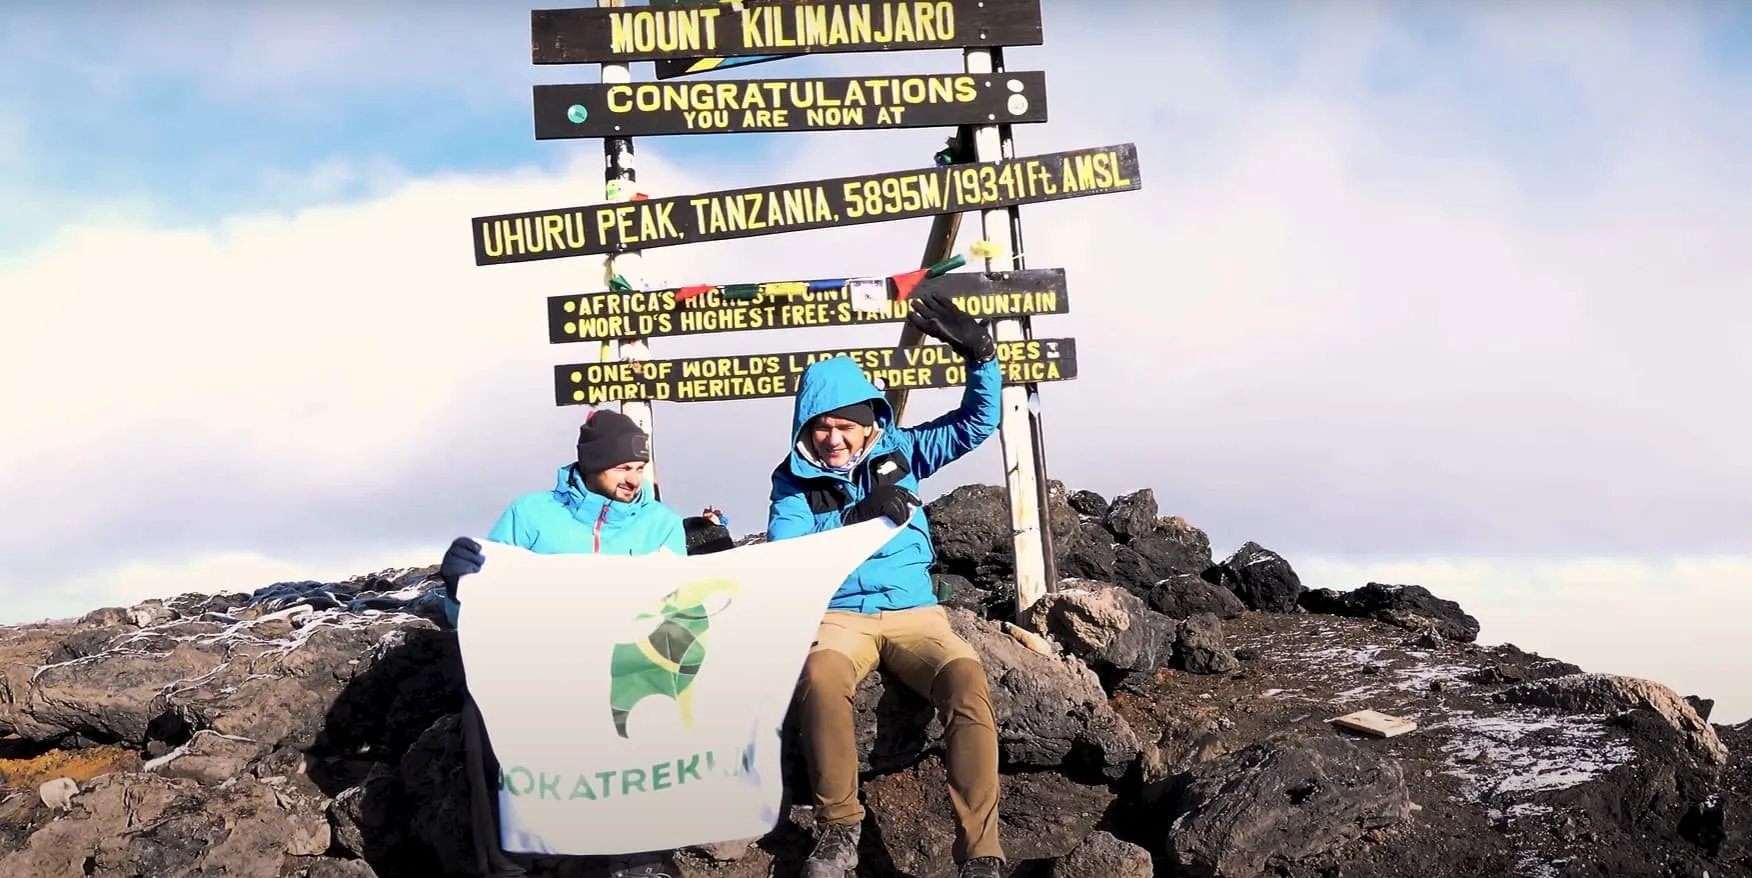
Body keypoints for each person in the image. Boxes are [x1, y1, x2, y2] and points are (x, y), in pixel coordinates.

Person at [766, 291, 1008, 878]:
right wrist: (855, 516)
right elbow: (789, 552)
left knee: (966, 680)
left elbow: (977, 423)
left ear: (870, 421)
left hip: (914, 613)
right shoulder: (792, 483)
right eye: (820, 426)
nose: (832, 438)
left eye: (844, 424)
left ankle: (981, 854)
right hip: (838, 616)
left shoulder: (904, 451)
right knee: (820, 676)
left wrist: (981, 356)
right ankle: (839, 829)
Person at [437, 408, 686, 878]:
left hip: (623, 664)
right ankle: (510, 865)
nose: (634, 479)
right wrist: (457, 587)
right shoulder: (530, 514)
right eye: (622, 468)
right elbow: (472, 613)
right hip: (541, 664)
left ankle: (640, 861)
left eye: (639, 467)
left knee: (653, 705)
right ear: (591, 464)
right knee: (484, 713)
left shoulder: (662, 525)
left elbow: (676, 614)